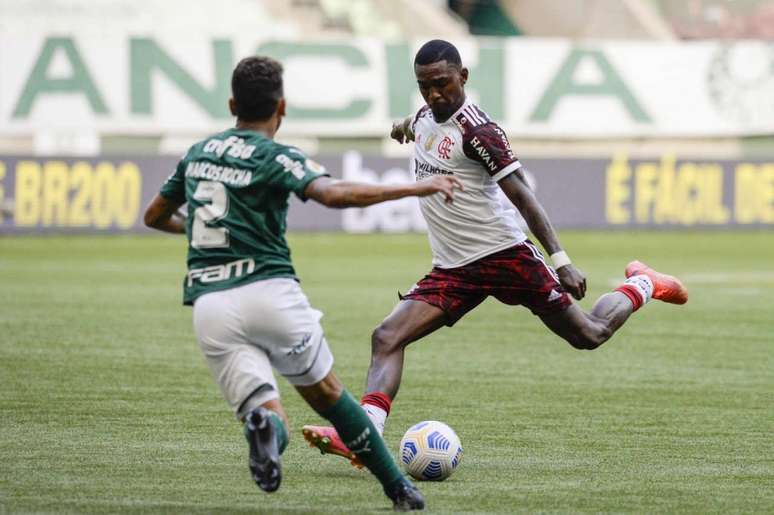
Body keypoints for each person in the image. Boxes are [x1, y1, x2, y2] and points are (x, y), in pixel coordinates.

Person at [301, 39, 688, 466]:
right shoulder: (427, 116)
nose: (434, 94)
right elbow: (417, 123)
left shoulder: (480, 132)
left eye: (443, 83)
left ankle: (642, 283)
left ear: (463, 77)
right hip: (453, 268)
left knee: (589, 334)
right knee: (387, 337)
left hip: (505, 256)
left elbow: (524, 198)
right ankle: (365, 437)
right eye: (424, 85)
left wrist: (561, 261)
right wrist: (402, 126)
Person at [143, 55, 463, 511]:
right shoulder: (278, 156)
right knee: (329, 395)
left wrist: (198, 229)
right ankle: (400, 489)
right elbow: (334, 195)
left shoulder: (198, 154)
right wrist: (416, 188)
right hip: (270, 295)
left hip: (210, 304)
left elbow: (153, 216)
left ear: (233, 103)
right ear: (282, 108)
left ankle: (264, 433)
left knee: (268, 413)